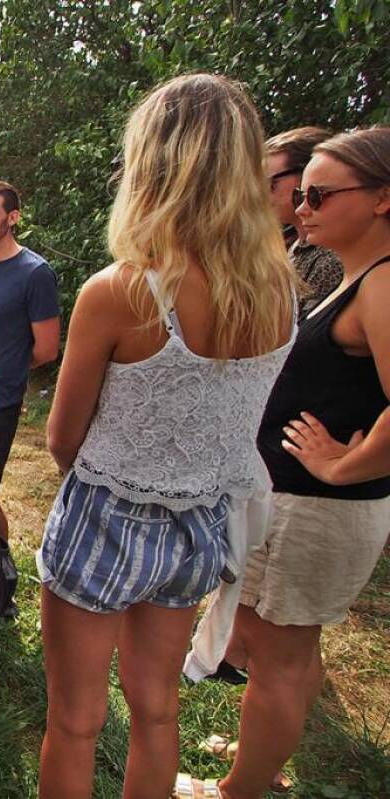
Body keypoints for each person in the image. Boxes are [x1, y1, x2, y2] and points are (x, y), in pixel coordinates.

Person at [38, 74, 296, 798]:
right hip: (201, 521)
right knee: (156, 707)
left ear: (153, 164)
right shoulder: (278, 290)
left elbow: (61, 437)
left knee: (75, 719)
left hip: (105, 517)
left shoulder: (121, 290)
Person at [212, 127, 390, 799]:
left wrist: (346, 464)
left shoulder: (383, 283)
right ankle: (260, 753)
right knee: (284, 649)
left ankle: (239, 789)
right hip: (299, 500)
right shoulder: (359, 278)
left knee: (277, 659)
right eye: (303, 193)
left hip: (316, 507)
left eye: (320, 195)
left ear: (381, 198)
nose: (302, 207)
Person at [0, 182, 61, 526]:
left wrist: (7, 367)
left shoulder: (35, 273)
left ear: (13, 217)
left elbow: (47, 349)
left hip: (0, 401)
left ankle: (0, 556)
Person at [266, 127, 344, 314]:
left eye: (271, 183)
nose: (261, 192)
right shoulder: (289, 246)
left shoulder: (331, 259)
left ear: (309, 175)